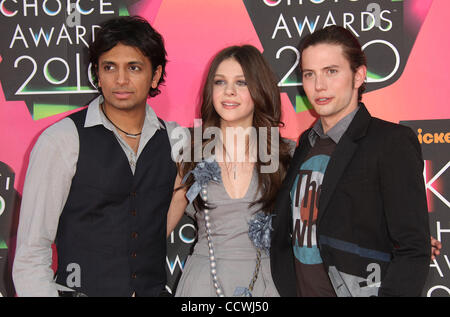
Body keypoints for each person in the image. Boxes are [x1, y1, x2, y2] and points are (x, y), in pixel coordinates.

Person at [12, 16, 178, 297]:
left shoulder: (176, 140)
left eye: (134, 68)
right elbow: (31, 253)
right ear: (97, 74)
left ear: (156, 74)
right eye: (109, 67)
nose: (121, 80)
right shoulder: (62, 139)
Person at [270, 25, 431, 297]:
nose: (319, 85)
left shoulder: (391, 142)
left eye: (331, 71)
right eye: (309, 74)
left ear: (359, 76)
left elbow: (414, 248)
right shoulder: (305, 142)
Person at [166, 45, 294, 297]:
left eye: (242, 83)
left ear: (260, 89)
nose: (229, 92)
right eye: (220, 82)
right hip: (202, 285)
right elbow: (162, 224)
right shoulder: (193, 152)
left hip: (266, 284)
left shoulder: (284, 153)